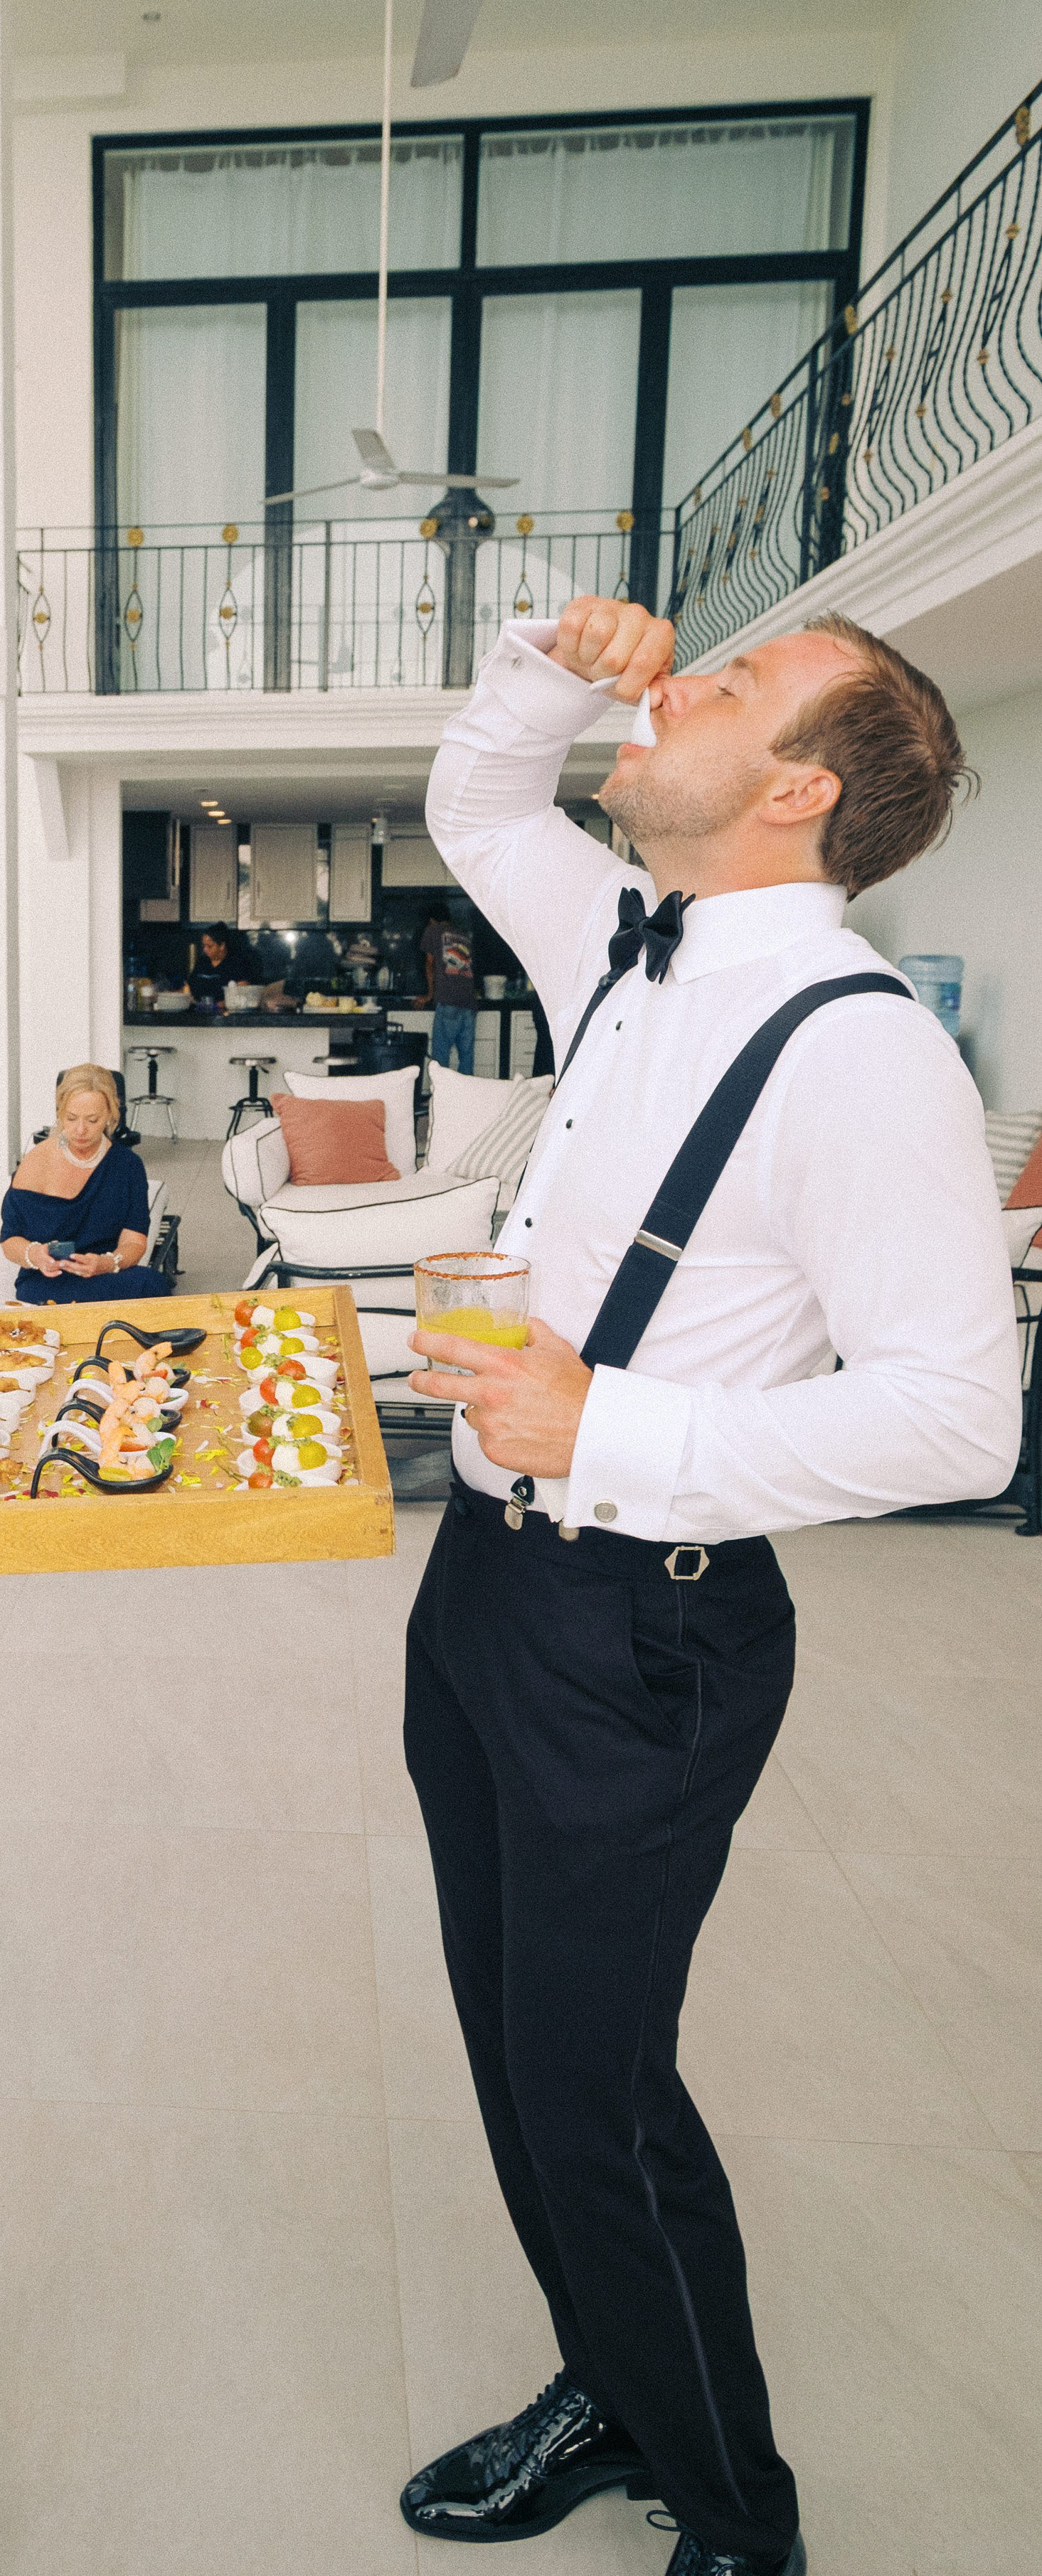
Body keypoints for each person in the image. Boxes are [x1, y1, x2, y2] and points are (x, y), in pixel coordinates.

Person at [397, 598, 1019, 2576]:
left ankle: (738, 2517)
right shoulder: (629, 940)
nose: (681, 690)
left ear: (796, 792)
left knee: (597, 2093)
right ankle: (613, 2376)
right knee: (513, 2049)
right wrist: (559, 660)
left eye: (730, 689)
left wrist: (622, 1435)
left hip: (646, 1624)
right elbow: (480, 792)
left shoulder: (865, 1056)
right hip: (486, 1587)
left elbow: (958, 1422)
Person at [1, 1062, 171, 1303]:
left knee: (151, 1283)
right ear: (60, 1113)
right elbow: (10, 1240)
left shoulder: (128, 1166)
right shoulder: (36, 1162)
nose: (80, 1130)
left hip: (104, 1275)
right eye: (71, 1119)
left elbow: (134, 1242)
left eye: (92, 1120)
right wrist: (36, 1255)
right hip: (49, 1282)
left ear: (111, 1115)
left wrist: (106, 1263)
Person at [420, 902, 477, 1073]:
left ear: (432, 920)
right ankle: (464, 1100)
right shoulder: (463, 934)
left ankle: (441, 1100)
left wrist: (430, 995)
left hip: (448, 1000)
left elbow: (429, 965)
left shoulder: (432, 930)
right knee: (466, 1058)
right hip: (469, 1003)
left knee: (440, 1061)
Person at [189, 920, 262, 1004]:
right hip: (200, 1011)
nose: (205, 950)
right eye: (204, 946)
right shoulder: (202, 962)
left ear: (222, 946)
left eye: (210, 946)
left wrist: (223, 1004)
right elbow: (190, 986)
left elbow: (243, 990)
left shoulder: (237, 963)